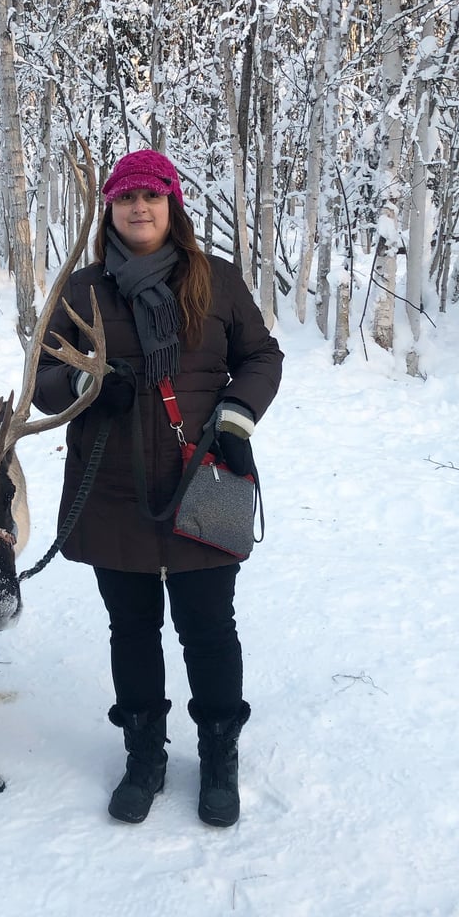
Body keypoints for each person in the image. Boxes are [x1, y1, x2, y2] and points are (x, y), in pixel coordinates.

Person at [33, 149, 283, 827]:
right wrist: (87, 385)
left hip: (208, 471)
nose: (139, 208)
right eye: (125, 198)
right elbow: (42, 378)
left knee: (209, 628)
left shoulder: (218, 281)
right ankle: (144, 755)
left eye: (151, 196)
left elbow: (262, 356)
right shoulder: (82, 290)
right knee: (133, 628)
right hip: (112, 484)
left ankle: (219, 756)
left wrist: (237, 415)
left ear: (173, 207)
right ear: (109, 210)